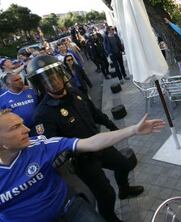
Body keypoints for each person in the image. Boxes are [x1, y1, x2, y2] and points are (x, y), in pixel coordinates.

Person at [0, 110, 165, 222]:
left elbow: (90, 142)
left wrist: (133, 130)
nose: (27, 129)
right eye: (15, 127)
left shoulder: (40, 146)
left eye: (22, 123)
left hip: (70, 209)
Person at [27, 55, 142, 222]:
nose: (54, 83)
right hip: (82, 160)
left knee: (124, 165)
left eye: (55, 77)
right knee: (106, 195)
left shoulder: (75, 91)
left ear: (61, 74)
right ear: (41, 85)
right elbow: (50, 147)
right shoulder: (42, 114)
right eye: (47, 81)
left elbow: (95, 113)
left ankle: (124, 190)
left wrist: (112, 126)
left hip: (99, 144)